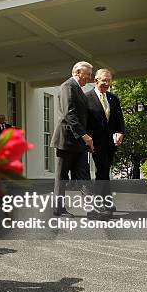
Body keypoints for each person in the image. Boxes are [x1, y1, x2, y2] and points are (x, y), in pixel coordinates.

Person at [50, 61, 106, 219]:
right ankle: (58, 210)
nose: (89, 78)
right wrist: (85, 135)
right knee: (62, 177)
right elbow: (69, 114)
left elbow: (82, 117)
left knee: (84, 176)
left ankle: (91, 210)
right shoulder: (68, 86)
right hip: (66, 141)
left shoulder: (79, 90)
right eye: (88, 74)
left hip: (79, 143)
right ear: (78, 72)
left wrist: (88, 137)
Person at [85, 69, 125, 215]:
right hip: (95, 142)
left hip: (110, 142)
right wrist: (86, 140)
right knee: (102, 171)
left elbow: (119, 119)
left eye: (109, 81)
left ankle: (107, 203)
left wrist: (121, 132)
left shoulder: (113, 98)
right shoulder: (87, 97)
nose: (107, 83)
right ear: (96, 80)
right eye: (104, 81)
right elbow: (84, 122)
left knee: (105, 172)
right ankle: (97, 205)